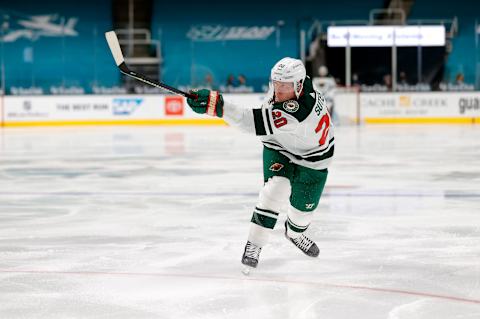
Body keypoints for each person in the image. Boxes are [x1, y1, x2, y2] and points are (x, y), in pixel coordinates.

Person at [186, 57, 334, 272]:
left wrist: (216, 106)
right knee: (276, 190)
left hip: (314, 160)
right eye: (276, 83)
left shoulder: (298, 111)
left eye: (286, 86)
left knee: (302, 212)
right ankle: (254, 244)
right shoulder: (299, 83)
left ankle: (295, 233)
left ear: (299, 85)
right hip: (278, 148)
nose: (279, 90)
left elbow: (250, 122)